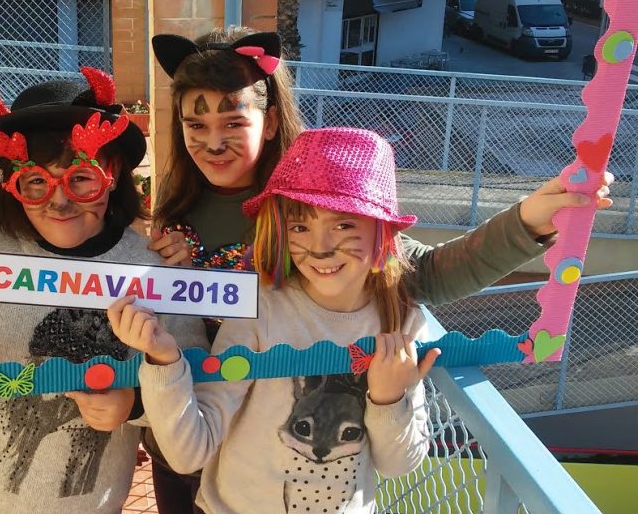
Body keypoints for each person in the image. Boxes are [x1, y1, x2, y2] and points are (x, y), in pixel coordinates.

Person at [144, 27, 613, 513]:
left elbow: (424, 271)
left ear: (270, 119)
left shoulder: (321, 194)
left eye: (233, 121)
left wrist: (529, 219)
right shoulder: (173, 210)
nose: (213, 142)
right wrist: (161, 273)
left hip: (287, 442)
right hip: (190, 430)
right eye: (195, 125)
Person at [0, 68, 209, 512]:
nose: (59, 201)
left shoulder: (152, 268)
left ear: (112, 175)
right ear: (15, 187)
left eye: (80, 178)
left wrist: (136, 403)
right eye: (36, 182)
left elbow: (194, 373)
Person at [110, 127, 443, 514]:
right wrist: (163, 361)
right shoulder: (261, 311)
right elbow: (189, 453)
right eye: (300, 226)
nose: (319, 248)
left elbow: (398, 465)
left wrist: (389, 399)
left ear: (382, 230)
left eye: (343, 225)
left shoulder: (401, 322)